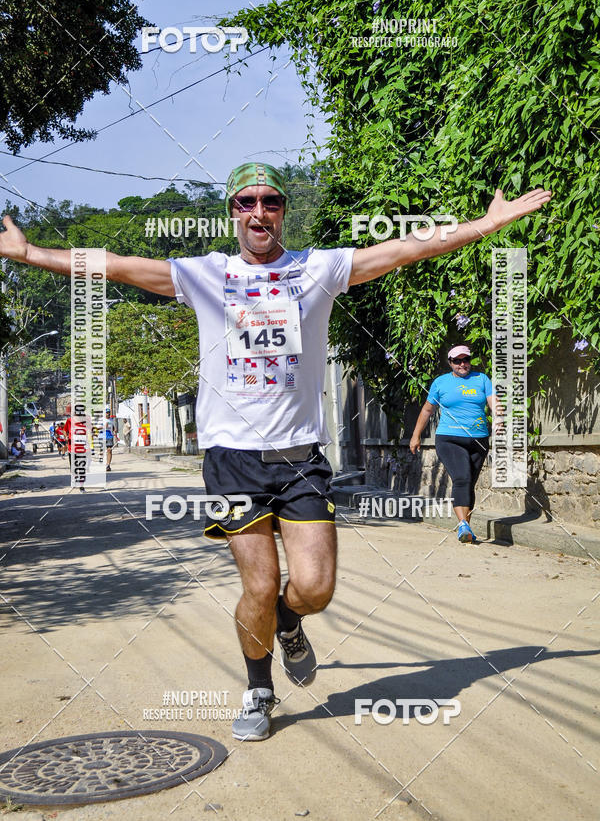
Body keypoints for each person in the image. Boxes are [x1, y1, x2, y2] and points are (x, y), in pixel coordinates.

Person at [0, 165, 551, 741]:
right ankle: (259, 689)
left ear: (282, 210)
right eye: (246, 202)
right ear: (233, 211)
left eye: (270, 201)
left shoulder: (317, 269)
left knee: (313, 588)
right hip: (232, 460)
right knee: (258, 586)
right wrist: (30, 252)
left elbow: (401, 250)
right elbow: (117, 266)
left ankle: (290, 623)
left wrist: (486, 226)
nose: (258, 211)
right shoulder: (204, 275)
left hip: (300, 460)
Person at [410, 345, 501, 543]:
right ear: (450, 363)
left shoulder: (482, 379)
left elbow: (494, 402)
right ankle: (462, 525)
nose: (462, 364)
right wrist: (416, 435)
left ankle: (466, 527)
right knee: (462, 477)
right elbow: (427, 411)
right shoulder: (440, 383)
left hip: (479, 440)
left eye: (465, 360)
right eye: (457, 361)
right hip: (449, 439)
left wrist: (499, 419)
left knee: (469, 484)